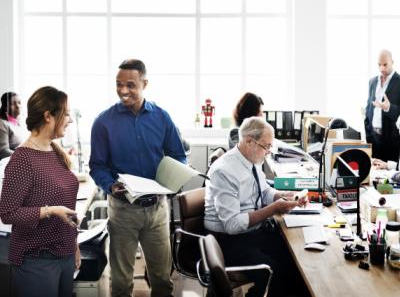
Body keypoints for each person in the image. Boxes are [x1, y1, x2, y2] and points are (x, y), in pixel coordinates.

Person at [89, 59, 186, 297]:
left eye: (130, 85)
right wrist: (111, 185)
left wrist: (173, 179)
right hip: (123, 210)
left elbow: (178, 156)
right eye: (119, 84)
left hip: (157, 210)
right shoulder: (103, 122)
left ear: (145, 83)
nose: (123, 90)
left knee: (162, 279)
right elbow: (97, 166)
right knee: (121, 283)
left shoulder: (162, 117)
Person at [204, 116, 308, 297]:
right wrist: (274, 208)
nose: (269, 151)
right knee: (276, 272)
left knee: (297, 263)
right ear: (249, 142)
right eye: (266, 146)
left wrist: (282, 196)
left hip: (251, 233)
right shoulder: (225, 171)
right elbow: (232, 225)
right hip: (229, 241)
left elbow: (263, 191)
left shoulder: (251, 160)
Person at [0, 86, 80, 297]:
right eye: (67, 114)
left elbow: (68, 206)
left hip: (65, 254)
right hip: (36, 261)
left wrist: (74, 245)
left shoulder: (55, 151)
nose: (70, 120)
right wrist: (50, 210)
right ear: (48, 116)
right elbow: (8, 213)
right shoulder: (22, 159)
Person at [365, 49, 400, 162]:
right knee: (373, 173)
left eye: (385, 64)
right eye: (379, 65)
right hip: (373, 139)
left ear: (392, 62)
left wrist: (388, 108)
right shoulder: (372, 82)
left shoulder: (398, 82)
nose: (382, 68)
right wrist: (368, 134)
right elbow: (368, 107)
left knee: (388, 176)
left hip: (390, 141)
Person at [0, 92, 24, 159]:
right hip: (10, 164)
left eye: (19, 103)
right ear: (5, 107)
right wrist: (25, 157)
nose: (17, 106)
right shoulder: (2, 124)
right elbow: (3, 151)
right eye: (13, 103)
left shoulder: (20, 124)